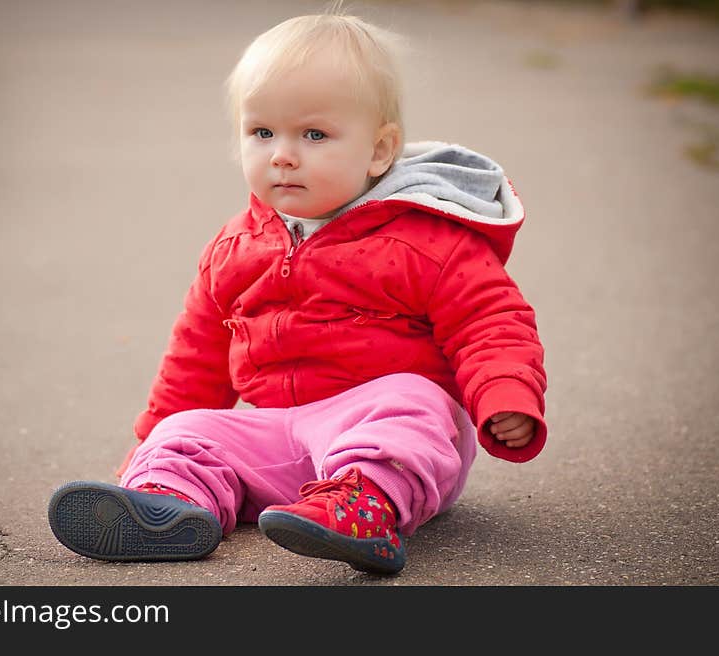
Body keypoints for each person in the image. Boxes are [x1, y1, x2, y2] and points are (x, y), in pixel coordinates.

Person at [48, 10, 547, 575]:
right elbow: (196, 356)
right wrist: (149, 448)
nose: (283, 154)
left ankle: (363, 505)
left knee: (412, 397)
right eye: (262, 133)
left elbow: (490, 320)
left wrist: (506, 394)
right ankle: (171, 501)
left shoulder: (425, 239)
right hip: (281, 438)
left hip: (393, 440)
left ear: (380, 150)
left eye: (314, 134)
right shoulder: (239, 245)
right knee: (185, 429)